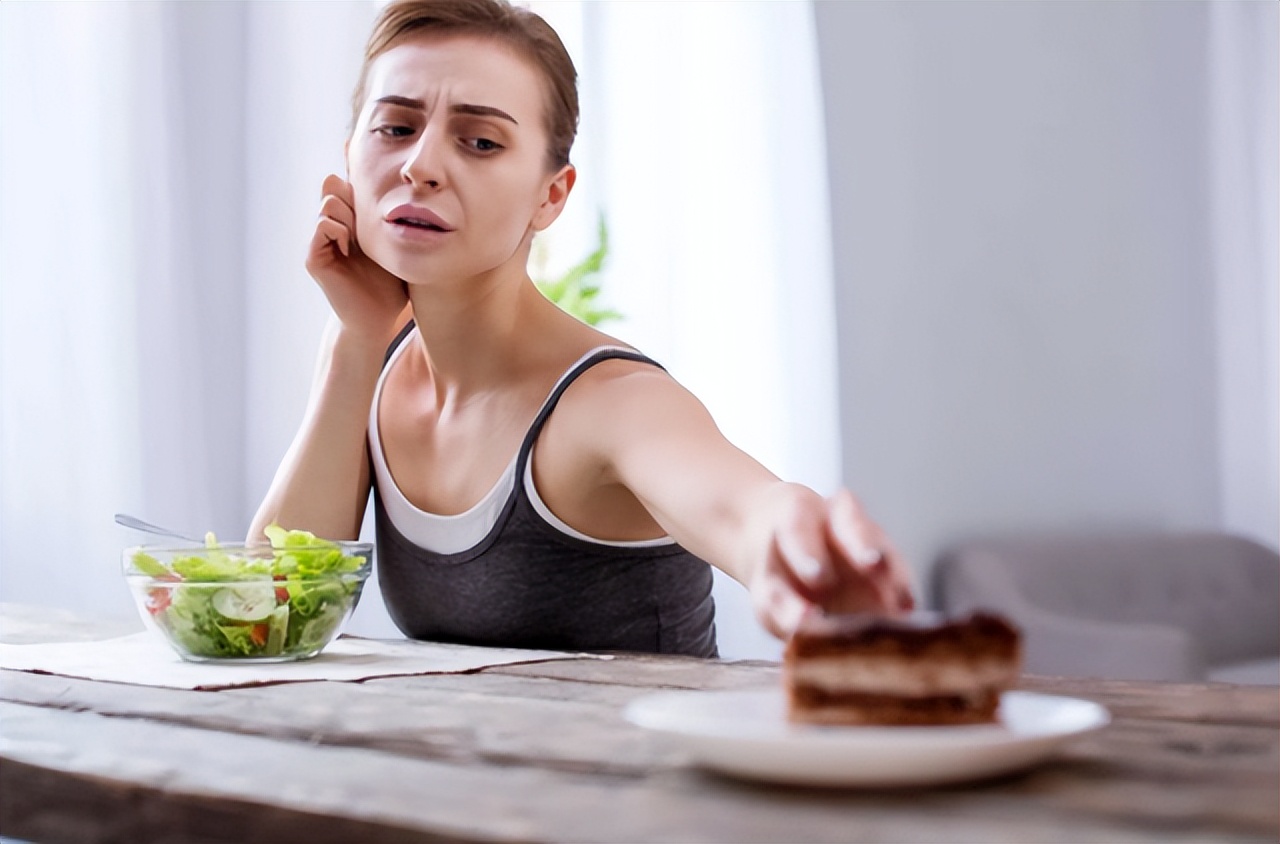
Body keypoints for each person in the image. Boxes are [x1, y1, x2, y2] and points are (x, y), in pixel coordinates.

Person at [250, 0, 915, 656]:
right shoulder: (372, 355)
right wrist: (357, 339)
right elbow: (269, 610)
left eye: (480, 142)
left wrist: (800, 551)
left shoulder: (612, 402)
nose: (420, 166)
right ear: (349, 157)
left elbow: (745, 510)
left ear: (551, 195)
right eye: (394, 128)